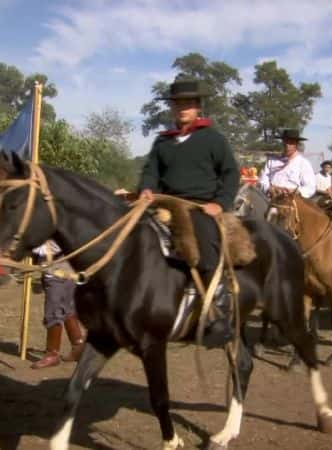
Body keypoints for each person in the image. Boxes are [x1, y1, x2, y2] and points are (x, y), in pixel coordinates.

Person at [138, 77, 240, 347]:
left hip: (199, 205)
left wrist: (220, 202)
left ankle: (218, 312)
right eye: (178, 103)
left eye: (188, 103)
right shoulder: (162, 142)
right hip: (163, 203)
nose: (182, 107)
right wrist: (147, 189)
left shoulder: (213, 139)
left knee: (205, 251)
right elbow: (150, 171)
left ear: (197, 107)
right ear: (172, 108)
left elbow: (230, 173)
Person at [30, 240, 85, 369]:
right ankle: (78, 346)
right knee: (67, 307)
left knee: (53, 310)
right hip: (67, 266)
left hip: (57, 267)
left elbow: (47, 248)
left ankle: (52, 353)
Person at [258, 129, 316, 199]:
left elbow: (310, 187)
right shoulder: (272, 161)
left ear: (296, 144)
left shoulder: (303, 163)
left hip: (291, 201)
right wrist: (268, 188)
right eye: (285, 142)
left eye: (291, 142)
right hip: (270, 198)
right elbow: (262, 180)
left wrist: (296, 191)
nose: (287, 145)